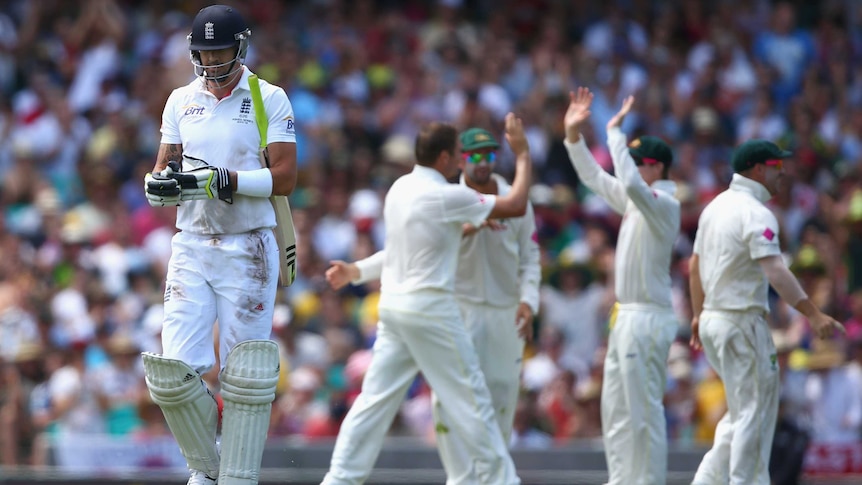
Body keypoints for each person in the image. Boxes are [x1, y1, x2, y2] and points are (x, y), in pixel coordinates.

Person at [319, 117, 532, 485]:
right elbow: (515, 205)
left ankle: (338, 480)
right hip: (431, 311)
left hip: (393, 309)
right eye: (459, 156)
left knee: (373, 402)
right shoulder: (450, 196)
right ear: (447, 157)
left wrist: (356, 271)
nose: (462, 163)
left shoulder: (399, 189)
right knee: (473, 401)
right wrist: (524, 154)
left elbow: (407, 249)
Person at [141, 5, 297, 485]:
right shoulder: (179, 100)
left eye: (220, 50)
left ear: (241, 47)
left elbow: (286, 178)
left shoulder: (268, 97)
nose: (211, 61)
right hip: (190, 244)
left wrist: (225, 181)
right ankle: (212, 470)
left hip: (248, 245)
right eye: (203, 53)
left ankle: (233, 479)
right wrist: (156, 183)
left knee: (244, 376)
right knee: (172, 375)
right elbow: (164, 166)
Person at [688, 139, 845, 485]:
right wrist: (813, 313)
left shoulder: (713, 207)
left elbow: (694, 264)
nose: (783, 173)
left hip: (715, 319)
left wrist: (699, 314)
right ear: (757, 169)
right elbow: (775, 270)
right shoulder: (755, 213)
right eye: (776, 167)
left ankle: (707, 481)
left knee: (741, 408)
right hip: (741, 320)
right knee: (754, 412)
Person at [562, 86, 681, 485]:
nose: (629, 168)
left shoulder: (664, 204)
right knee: (615, 409)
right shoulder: (637, 200)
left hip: (648, 316)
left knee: (643, 411)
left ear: (656, 167)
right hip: (626, 316)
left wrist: (612, 132)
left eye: (636, 162)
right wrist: (573, 137)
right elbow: (593, 177)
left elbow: (628, 184)